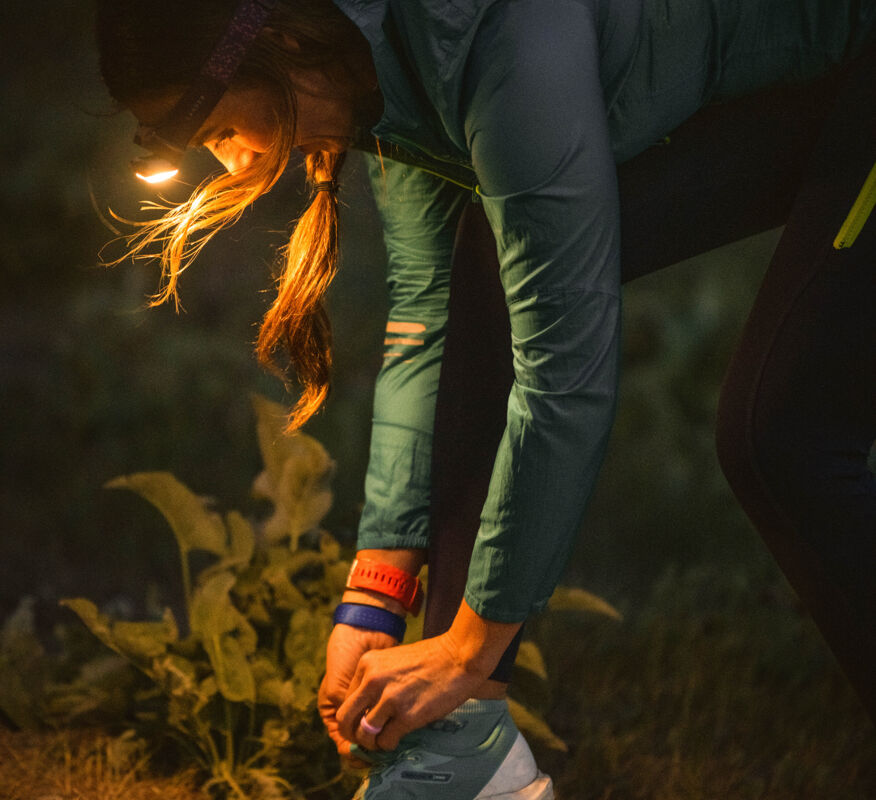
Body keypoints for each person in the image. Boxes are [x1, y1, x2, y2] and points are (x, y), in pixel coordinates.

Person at [95, 0, 876, 797]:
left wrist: (468, 649)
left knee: (782, 439)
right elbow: (428, 315)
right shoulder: (382, 67)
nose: (231, 167)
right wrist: (375, 594)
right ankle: (469, 752)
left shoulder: (499, 42)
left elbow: (564, 367)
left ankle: (467, 720)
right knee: (487, 263)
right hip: (788, 67)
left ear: (277, 45)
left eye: (224, 133)